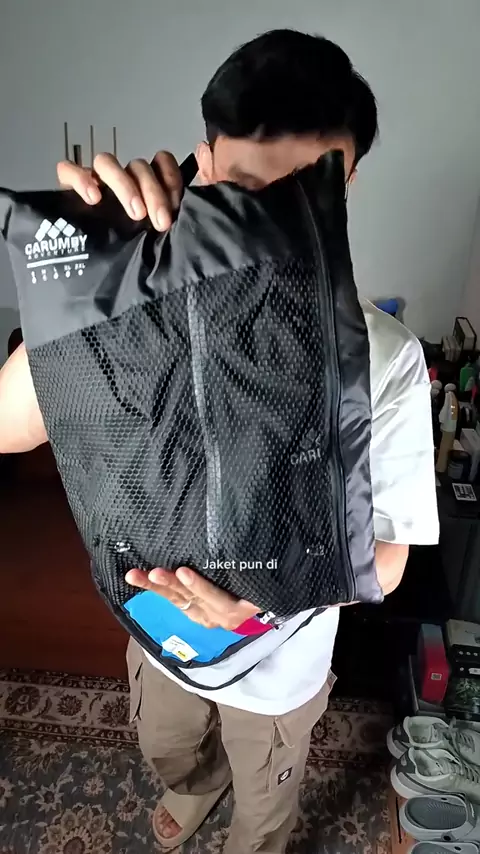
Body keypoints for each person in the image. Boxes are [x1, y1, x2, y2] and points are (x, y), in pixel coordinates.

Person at [0, 28, 439, 854]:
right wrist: (89, 282)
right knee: (168, 747)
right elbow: (8, 425)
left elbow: (388, 561)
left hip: (279, 672)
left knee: (265, 803)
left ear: (345, 183)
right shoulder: (134, 302)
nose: (271, 220)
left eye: (303, 191)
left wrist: (269, 602)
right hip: (157, 633)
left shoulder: (386, 359)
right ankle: (194, 786)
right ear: (202, 164)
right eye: (245, 188)